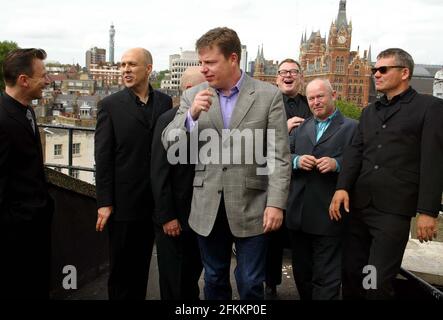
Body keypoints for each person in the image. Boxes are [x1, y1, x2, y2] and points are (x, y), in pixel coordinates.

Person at [162, 27, 291, 300]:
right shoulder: (192, 94)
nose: (203, 69)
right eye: (201, 62)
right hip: (207, 205)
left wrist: (276, 203)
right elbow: (170, 143)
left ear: (233, 58)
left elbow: (279, 155)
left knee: (251, 282)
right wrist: (191, 116)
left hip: (253, 205)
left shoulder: (268, 95)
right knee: (213, 278)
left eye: (210, 62)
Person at [329, 48, 443, 299]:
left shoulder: (430, 107)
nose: (375, 75)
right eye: (374, 70)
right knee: (351, 275)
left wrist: (427, 212)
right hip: (358, 207)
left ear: (404, 73)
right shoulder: (370, 111)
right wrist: (341, 188)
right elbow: (355, 153)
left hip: (392, 211)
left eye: (382, 69)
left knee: (376, 282)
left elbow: (433, 161)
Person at [95, 48, 172, 300]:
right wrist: (105, 202)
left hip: (155, 201)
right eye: (122, 65)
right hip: (123, 203)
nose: (125, 69)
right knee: (121, 270)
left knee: (142, 268)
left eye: (132, 65)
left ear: (148, 69)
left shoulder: (164, 102)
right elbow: (103, 158)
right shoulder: (109, 105)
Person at [286, 78, 357, 300]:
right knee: (302, 275)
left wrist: (337, 164)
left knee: (327, 279)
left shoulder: (352, 128)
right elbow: (281, 158)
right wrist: (296, 160)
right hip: (299, 216)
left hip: (330, 215)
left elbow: (362, 162)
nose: (316, 102)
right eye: (311, 98)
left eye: (320, 96)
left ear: (333, 95)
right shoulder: (301, 128)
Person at [0, 48, 54, 299]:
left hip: (35, 226)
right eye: (43, 75)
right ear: (24, 80)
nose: (47, 81)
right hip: (15, 237)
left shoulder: (27, 110)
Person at [151, 67, 205, 300]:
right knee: (174, 282)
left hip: (198, 217)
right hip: (175, 219)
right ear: (191, 90)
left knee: (190, 279)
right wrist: (167, 216)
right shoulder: (168, 121)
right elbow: (159, 172)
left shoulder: (208, 121)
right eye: (207, 88)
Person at [264, 58, 312, 298]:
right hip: (272, 184)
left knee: (301, 241)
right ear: (276, 78)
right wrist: (284, 126)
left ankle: (305, 288)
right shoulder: (265, 103)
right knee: (271, 240)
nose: (288, 76)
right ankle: (270, 285)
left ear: (300, 77)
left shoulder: (311, 104)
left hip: (302, 184)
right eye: (283, 72)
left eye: (293, 72)